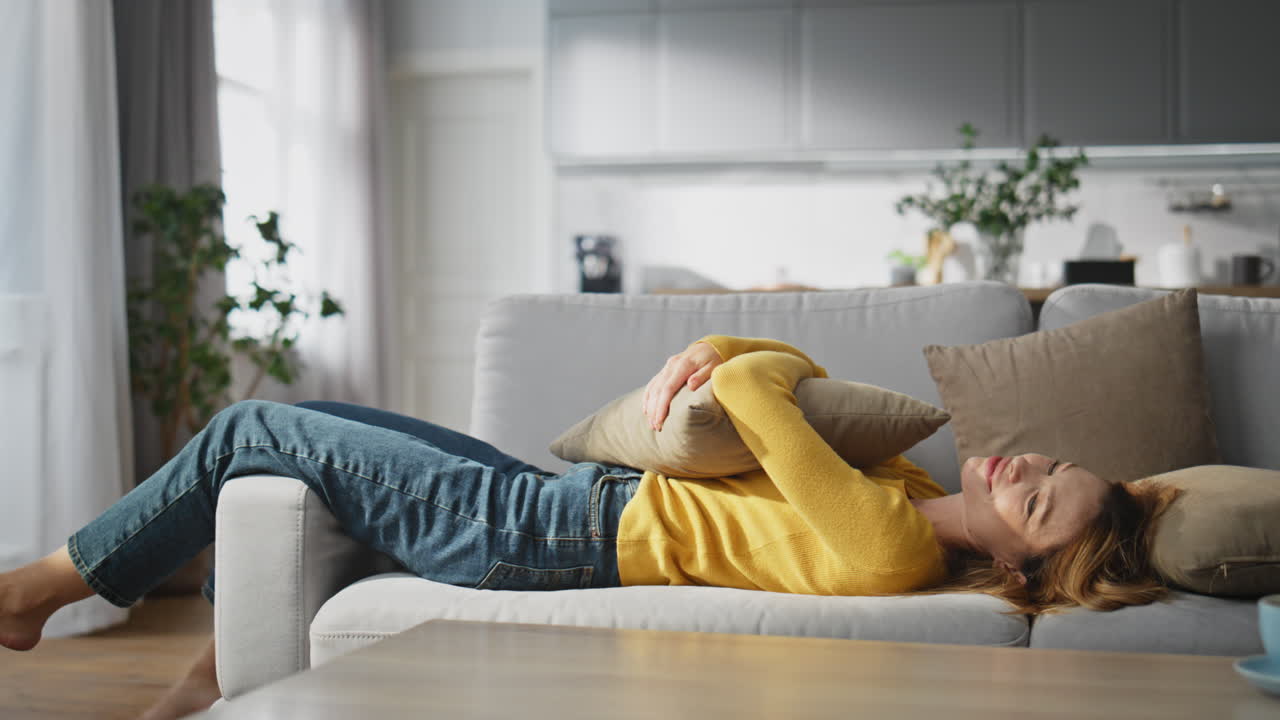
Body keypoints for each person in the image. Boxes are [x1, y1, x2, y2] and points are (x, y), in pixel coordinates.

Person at [0, 335, 1178, 719]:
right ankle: (205, 681)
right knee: (310, 428)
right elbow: (779, 374)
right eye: (1050, 465)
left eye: (1035, 500)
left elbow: (758, 390)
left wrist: (719, 358)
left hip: (546, 536)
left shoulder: (890, 541)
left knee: (247, 431)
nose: (1025, 467)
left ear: (1018, 563)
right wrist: (708, 351)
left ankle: (35, 594)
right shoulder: (908, 482)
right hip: (564, 504)